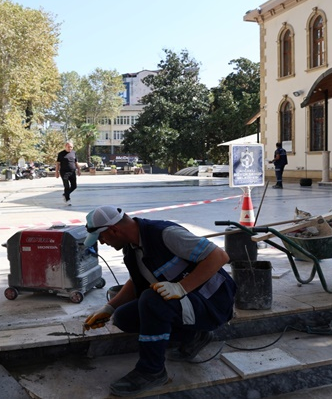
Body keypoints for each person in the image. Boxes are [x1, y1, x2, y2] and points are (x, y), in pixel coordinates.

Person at [82, 205, 236, 397]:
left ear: (114, 230)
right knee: (124, 317)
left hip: (212, 304)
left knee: (152, 300)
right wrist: (109, 308)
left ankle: (152, 371)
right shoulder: (132, 248)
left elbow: (219, 256)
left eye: (102, 238)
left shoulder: (164, 234)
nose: (103, 243)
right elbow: (137, 280)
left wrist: (181, 287)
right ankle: (194, 336)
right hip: (187, 303)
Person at [55, 141, 81, 206]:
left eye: (71, 147)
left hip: (72, 172)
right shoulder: (61, 154)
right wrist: (57, 172)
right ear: (65, 146)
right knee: (66, 186)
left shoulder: (74, 153)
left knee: (74, 186)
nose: (70, 148)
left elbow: (76, 162)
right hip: (64, 172)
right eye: (69, 147)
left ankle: (65, 194)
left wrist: (79, 170)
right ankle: (67, 199)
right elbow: (58, 164)